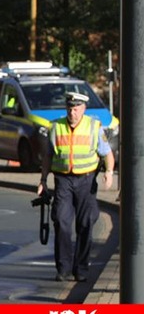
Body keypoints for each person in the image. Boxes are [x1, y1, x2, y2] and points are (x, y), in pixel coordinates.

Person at [36, 91, 115, 282]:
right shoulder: (56, 127)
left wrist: (109, 172)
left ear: (83, 109)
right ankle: (63, 268)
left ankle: (81, 269)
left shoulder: (93, 126)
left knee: (86, 223)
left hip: (86, 181)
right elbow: (48, 156)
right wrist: (43, 180)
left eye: (76, 109)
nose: (73, 113)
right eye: (70, 109)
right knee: (62, 222)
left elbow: (107, 153)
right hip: (63, 180)